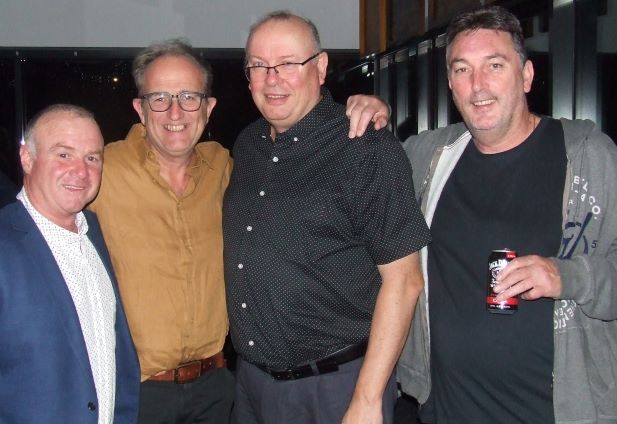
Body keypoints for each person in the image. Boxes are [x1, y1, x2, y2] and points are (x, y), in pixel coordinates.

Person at [89, 37, 391, 424]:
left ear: (209, 107)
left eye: (189, 97)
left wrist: (371, 107)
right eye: (159, 97)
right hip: (138, 392)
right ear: (140, 109)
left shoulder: (228, 166)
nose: (175, 111)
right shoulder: (103, 171)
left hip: (218, 388)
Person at [392, 6, 617, 423]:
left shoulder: (587, 156)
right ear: (450, 85)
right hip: (447, 409)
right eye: (462, 70)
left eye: (494, 65)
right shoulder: (427, 158)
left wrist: (566, 275)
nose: (478, 86)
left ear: (527, 75)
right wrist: (367, 111)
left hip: (558, 412)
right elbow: (360, 174)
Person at [223, 11, 430, 424]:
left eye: (287, 63)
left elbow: (405, 281)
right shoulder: (247, 144)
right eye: (259, 66)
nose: (271, 78)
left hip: (334, 387)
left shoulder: (364, 147)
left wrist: (368, 398)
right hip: (250, 383)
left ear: (320, 68)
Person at [0, 104, 140, 423]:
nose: (81, 171)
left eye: (92, 157)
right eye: (64, 155)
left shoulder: (94, 234)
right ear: (27, 158)